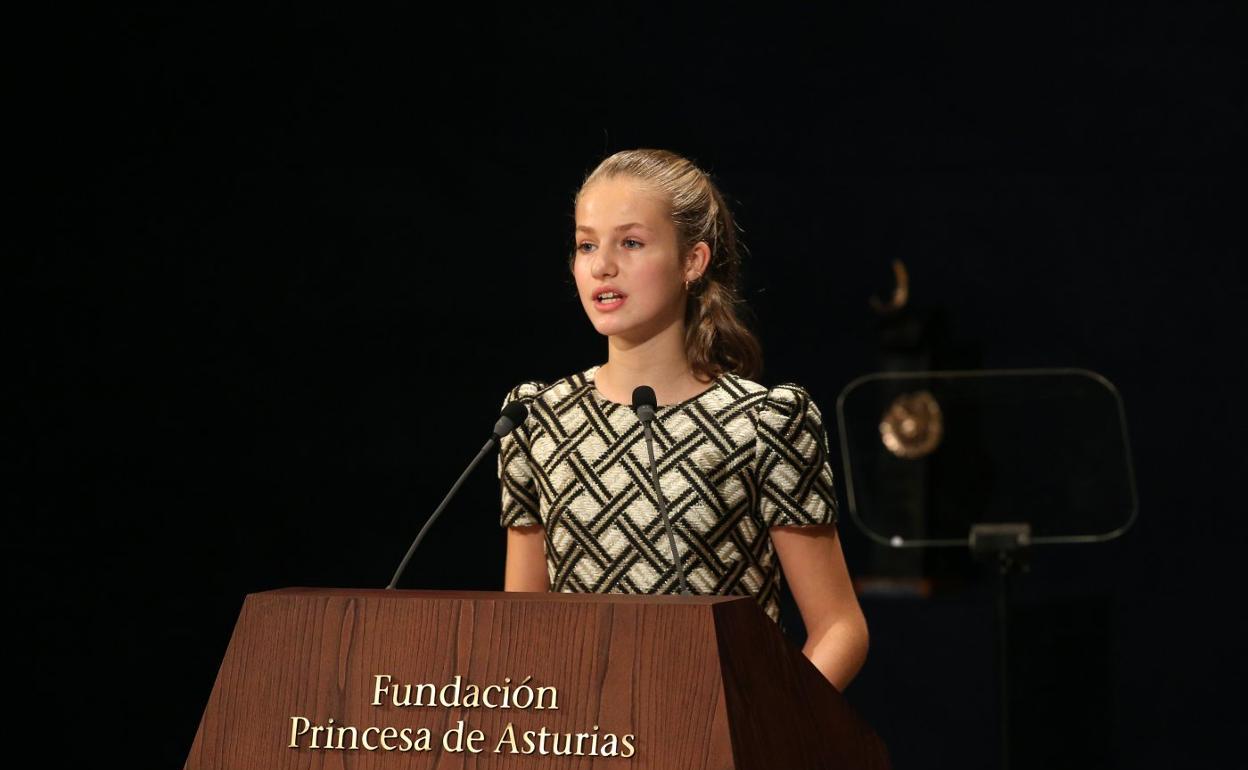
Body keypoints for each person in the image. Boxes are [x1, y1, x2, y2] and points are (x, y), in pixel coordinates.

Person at [497, 148, 868, 691]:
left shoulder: (763, 423)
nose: (601, 266)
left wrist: (765, 723)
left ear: (692, 262)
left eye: (630, 242)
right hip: (586, 728)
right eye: (586, 245)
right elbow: (522, 625)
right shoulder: (538, 417)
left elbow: (839, 627)